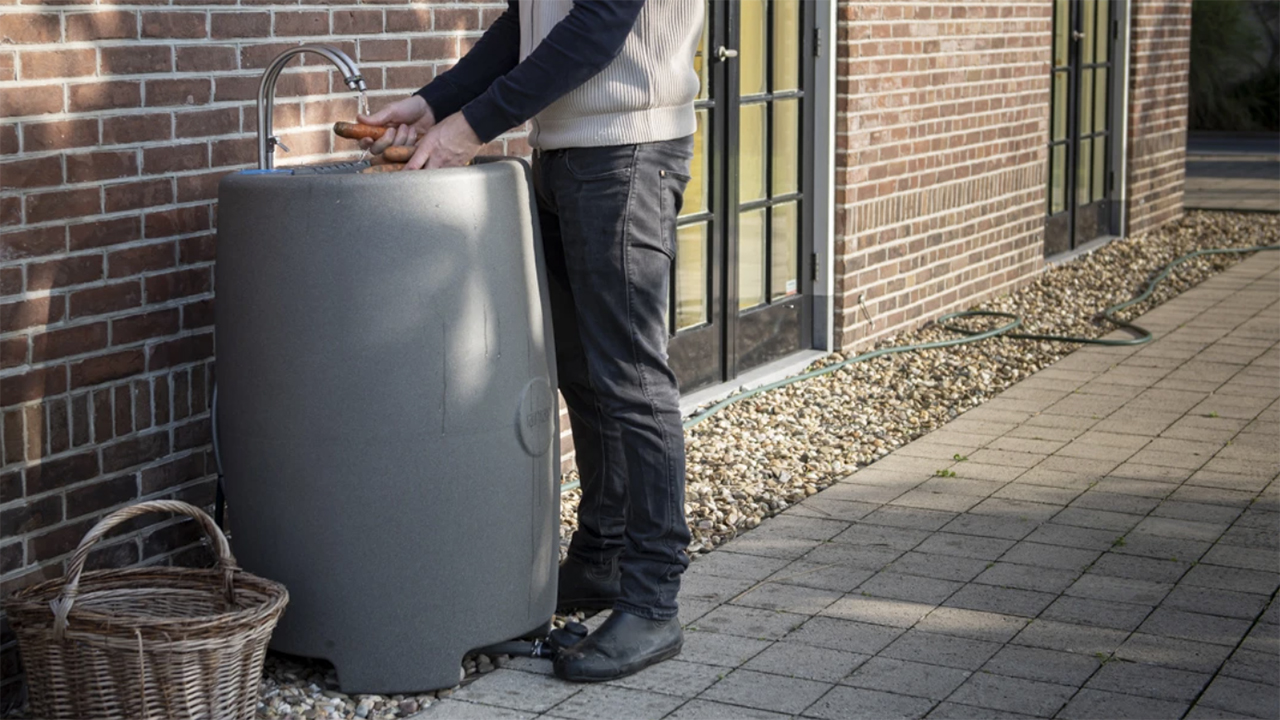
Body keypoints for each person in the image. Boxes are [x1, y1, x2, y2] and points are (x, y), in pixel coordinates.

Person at [357, 0, 702, 683]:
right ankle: (601, 557)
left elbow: (598, 27)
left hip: (627, 152)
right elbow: (526, 25)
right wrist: (435, 104)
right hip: (563, 156)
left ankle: (653, 599)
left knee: (631, 379)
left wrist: (470, 126)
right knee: (581, 370)